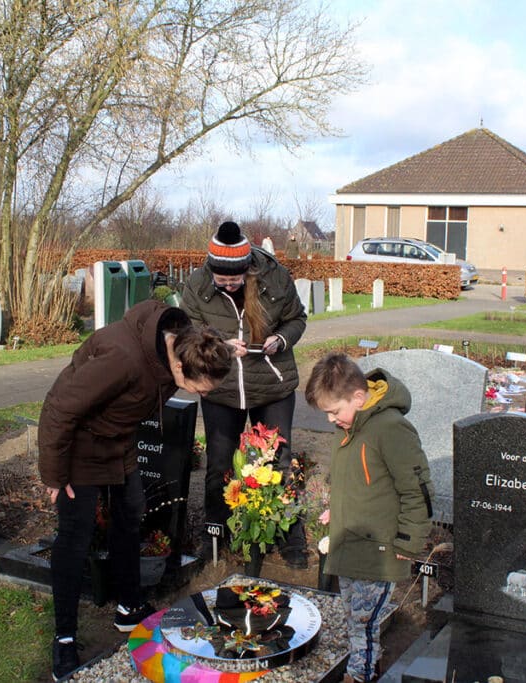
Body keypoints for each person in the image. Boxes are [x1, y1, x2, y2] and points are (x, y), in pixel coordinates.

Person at [38, 299, 232, 681]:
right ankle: (63, 638)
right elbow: (61, 407)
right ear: (179, 366)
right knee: (75, 540)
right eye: (199, 389)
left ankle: (128, 607)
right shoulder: (122, 358)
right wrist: (54, 475)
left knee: (130, 517)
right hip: (80, 447)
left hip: (119, 441)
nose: (203, 396)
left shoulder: (181, 341)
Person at [180, 220, 309, 568]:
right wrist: (218, 346)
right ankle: (216, 533)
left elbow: (297, 318)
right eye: (221, 280)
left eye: (233, 279)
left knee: (278, 462)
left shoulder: (276, 278)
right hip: (221, 390)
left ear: (246, 268)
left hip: (271, 386)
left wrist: (280, 339)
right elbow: (187, 332)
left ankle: (289, 537)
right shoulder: (197, 284)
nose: (228, 284)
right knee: (220, 464)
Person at [304, 353, 433, 683]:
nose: (331, 420)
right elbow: (360, 480)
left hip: (379, 549)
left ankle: (359, 676)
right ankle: (362, 667)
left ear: (358, 398)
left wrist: (410, 539)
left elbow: (416, 489)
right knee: (354, 616)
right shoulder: (350, 426)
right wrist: (339, 507)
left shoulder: (391, 429)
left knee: (364, 621)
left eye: (334, 411)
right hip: (352, 543)